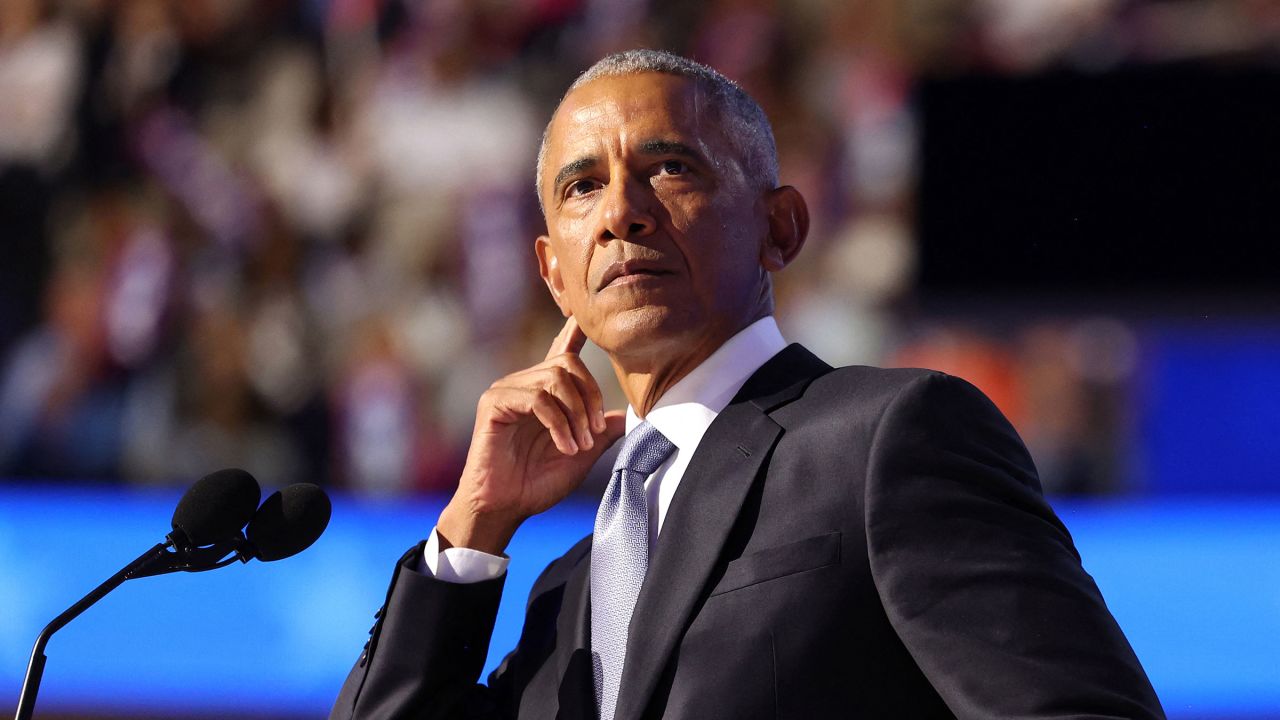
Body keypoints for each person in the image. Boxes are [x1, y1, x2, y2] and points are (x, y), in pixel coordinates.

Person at [330, 49, 1164, 720]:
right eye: (582, 186)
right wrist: (469, 534)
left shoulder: (889, 437)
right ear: (554, 272)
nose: (621, 211)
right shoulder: (564, 598)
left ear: (780, 227)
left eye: (669, 168)